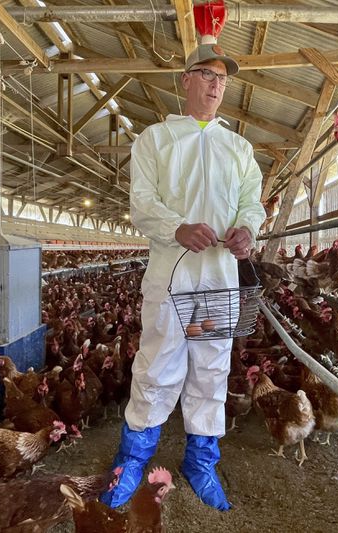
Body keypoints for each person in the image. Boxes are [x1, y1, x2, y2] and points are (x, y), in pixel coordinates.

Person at [99, 43, 266, 511]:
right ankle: (132, 460)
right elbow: (142, 204)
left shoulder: (238, 147)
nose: (217, 85)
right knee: (157, 364)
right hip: (171, 275)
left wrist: (248, 229)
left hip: (218, 277)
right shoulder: (155, 139)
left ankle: (201, 461)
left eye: (223, 79)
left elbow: (252, 201)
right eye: (208, 75)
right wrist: (177, 228)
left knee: (212, 368)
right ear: (186, 81)